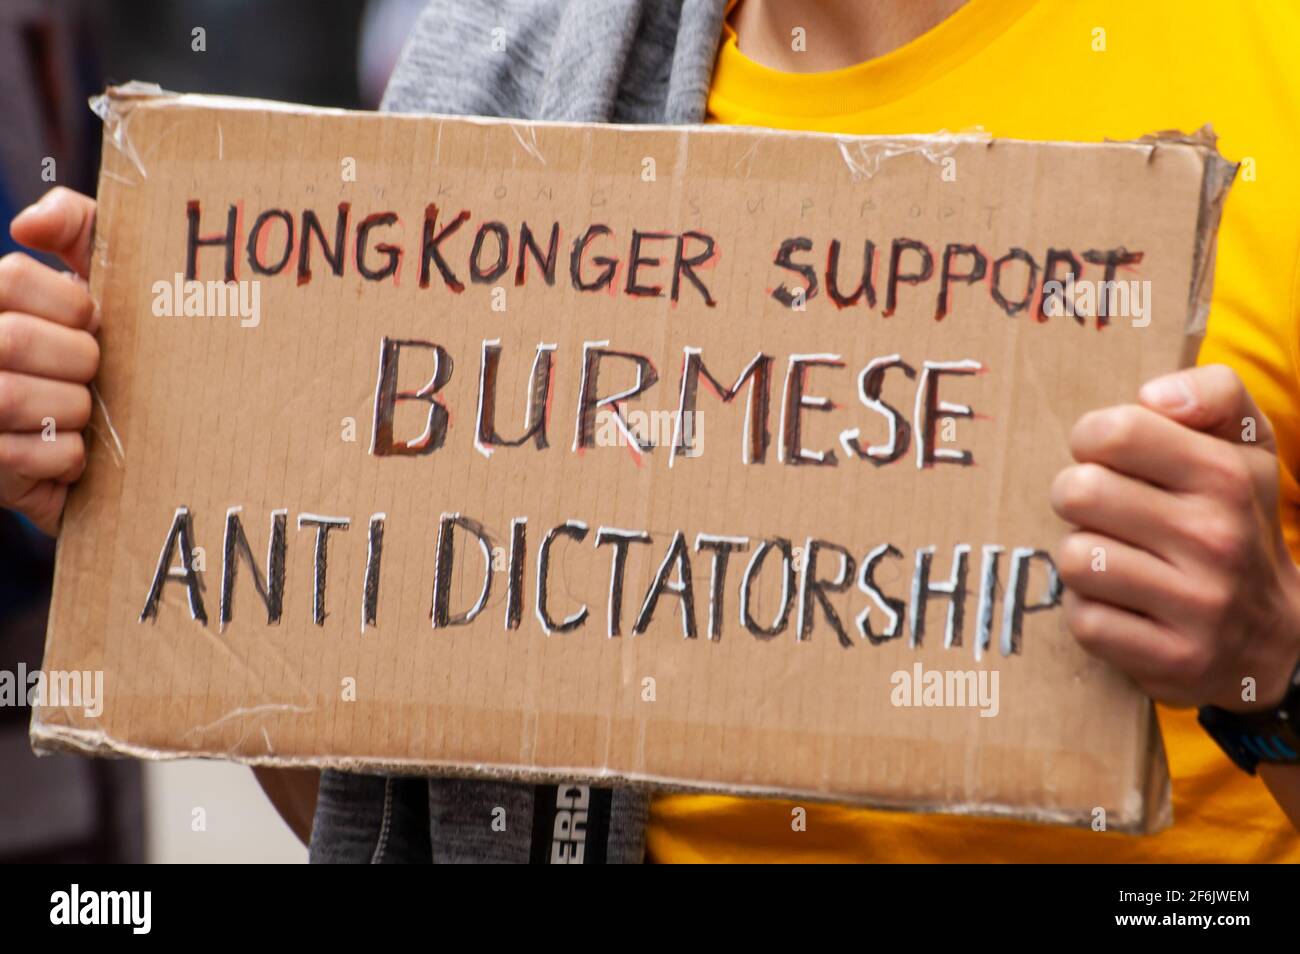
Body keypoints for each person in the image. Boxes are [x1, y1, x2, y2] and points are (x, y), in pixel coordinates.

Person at [6, 0, 1300, 862]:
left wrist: (1271, 669)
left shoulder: (1262, 64)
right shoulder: (497, 96)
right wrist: (145, 482)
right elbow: (376, 809)